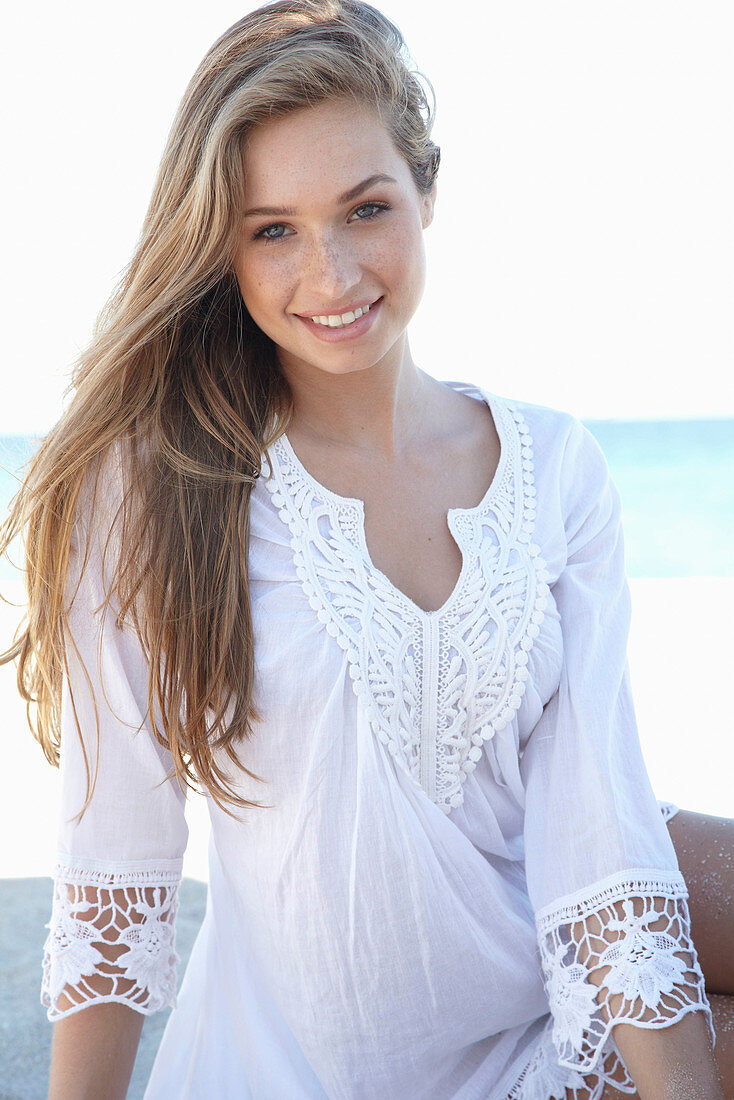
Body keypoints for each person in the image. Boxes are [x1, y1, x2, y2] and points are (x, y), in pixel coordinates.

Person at [1, 1, 732, 1097]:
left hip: (540, 1000)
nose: (332, 273)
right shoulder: (157, 489)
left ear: (425, 192)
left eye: (365, 208)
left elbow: (598, 832)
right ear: (220, 247)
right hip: (312, 1062)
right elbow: (119, 871)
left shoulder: (554, 465)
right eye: (273, 229)